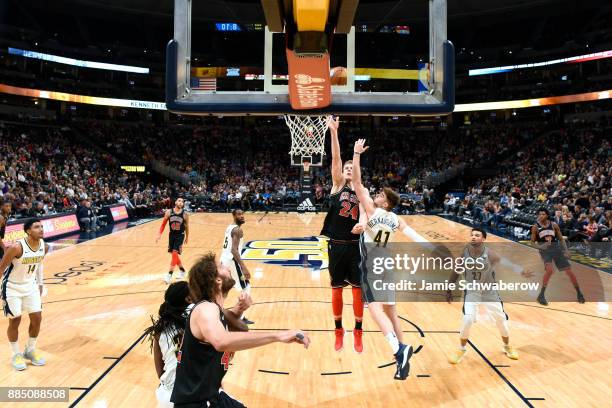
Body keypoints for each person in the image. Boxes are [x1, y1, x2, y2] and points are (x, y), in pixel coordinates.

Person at [170, 253, 310, 407]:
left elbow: (240, 332)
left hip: (211, 396)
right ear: (217, 280)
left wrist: (239, 310)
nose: (227, 267)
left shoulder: (214, 310)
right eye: (221, 266)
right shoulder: (206, 308)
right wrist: (279, 335)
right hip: (196, 403)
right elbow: (221, 341)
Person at [350, 139, 426, 380]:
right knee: (392, 313)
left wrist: (356, 154)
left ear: (386, 202)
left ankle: (398, 349)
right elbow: (416, 237)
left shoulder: (373, 210)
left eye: (381, 194)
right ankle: (402, 360)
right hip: (388, 265)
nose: (377, 195)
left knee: (374, 309)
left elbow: (357, 182)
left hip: (373, 265)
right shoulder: (396, 220)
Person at [319, 116, 364, 353]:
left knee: (358, 291)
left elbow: (367, 213)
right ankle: (339, 330)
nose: (348, 170)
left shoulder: (362, 190)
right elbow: (336, 158)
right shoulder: (337, 185)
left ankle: (358, 330)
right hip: (336, 245)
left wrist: (364, 224)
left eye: (351, 168)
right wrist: (333, 133)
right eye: (346, 168)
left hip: (356, 246)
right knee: (336, 290)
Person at [446, 228, 520, 364]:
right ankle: (461, 349)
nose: (473, 237)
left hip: (489, 291)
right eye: (472, 235)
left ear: (483, 239)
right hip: (472, 292)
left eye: (477, 235)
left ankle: (507, 346)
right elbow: (456, 271)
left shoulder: (491, 254)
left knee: (500, 320)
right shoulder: (464, 254)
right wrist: (449, 289)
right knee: (467, 320)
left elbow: (504, 265)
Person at [0, 218, 48, 370]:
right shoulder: (16, 247)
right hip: (12, 287)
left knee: (37, 318)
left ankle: (29, 350)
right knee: (15, 320)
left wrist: (40, 283)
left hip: (30, 286)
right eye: (36, 227)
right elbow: (1, 269)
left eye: (41, 226)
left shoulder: (44, 246)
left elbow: (39, 264)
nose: (41, 229)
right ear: (28, 231)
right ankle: (16, 354)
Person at [144, 282, 191, 408]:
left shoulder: (159, 330)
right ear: (188, 298)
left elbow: (160, 373)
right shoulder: (195, 320)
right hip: (189, 395)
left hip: (166, 395)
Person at [530, 208, 584, 305]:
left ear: (547, 215)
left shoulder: (554, 225)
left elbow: (561, 239)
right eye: (539, 214)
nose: (541, 216)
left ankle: (579, 293)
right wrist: (540, 246)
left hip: (556, 250)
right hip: (545, 251)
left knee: (570, 272)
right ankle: (541, 295)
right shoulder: (535, 227)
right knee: (550, 270)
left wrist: (566, 250)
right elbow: (532, 243)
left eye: (543, 214)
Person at [220, 209, 254, 325]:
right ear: (233, 216)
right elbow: (234, 250)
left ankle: (217, 311)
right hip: (231, 261)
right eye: (239, 214)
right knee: (246, 287)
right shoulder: (237, 230)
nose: (242, 216)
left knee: (223, 288)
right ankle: (240, 316)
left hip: (224, 260)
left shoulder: (230, 227)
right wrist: (244, 267)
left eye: (242, 214)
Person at [157, 198, 190, 284]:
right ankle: (182, 270)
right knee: (174, 255)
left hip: (180, 235)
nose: (181, 202)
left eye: (182, 202)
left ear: (183, 204)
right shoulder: (168, 212)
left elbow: (187, 227)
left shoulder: (185, 214)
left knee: (175, 253)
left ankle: (169, 275)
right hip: (171, 235)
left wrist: (187, 237)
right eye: (179, 201)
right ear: (175, 202)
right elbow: (163, 224)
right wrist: (159, 234)